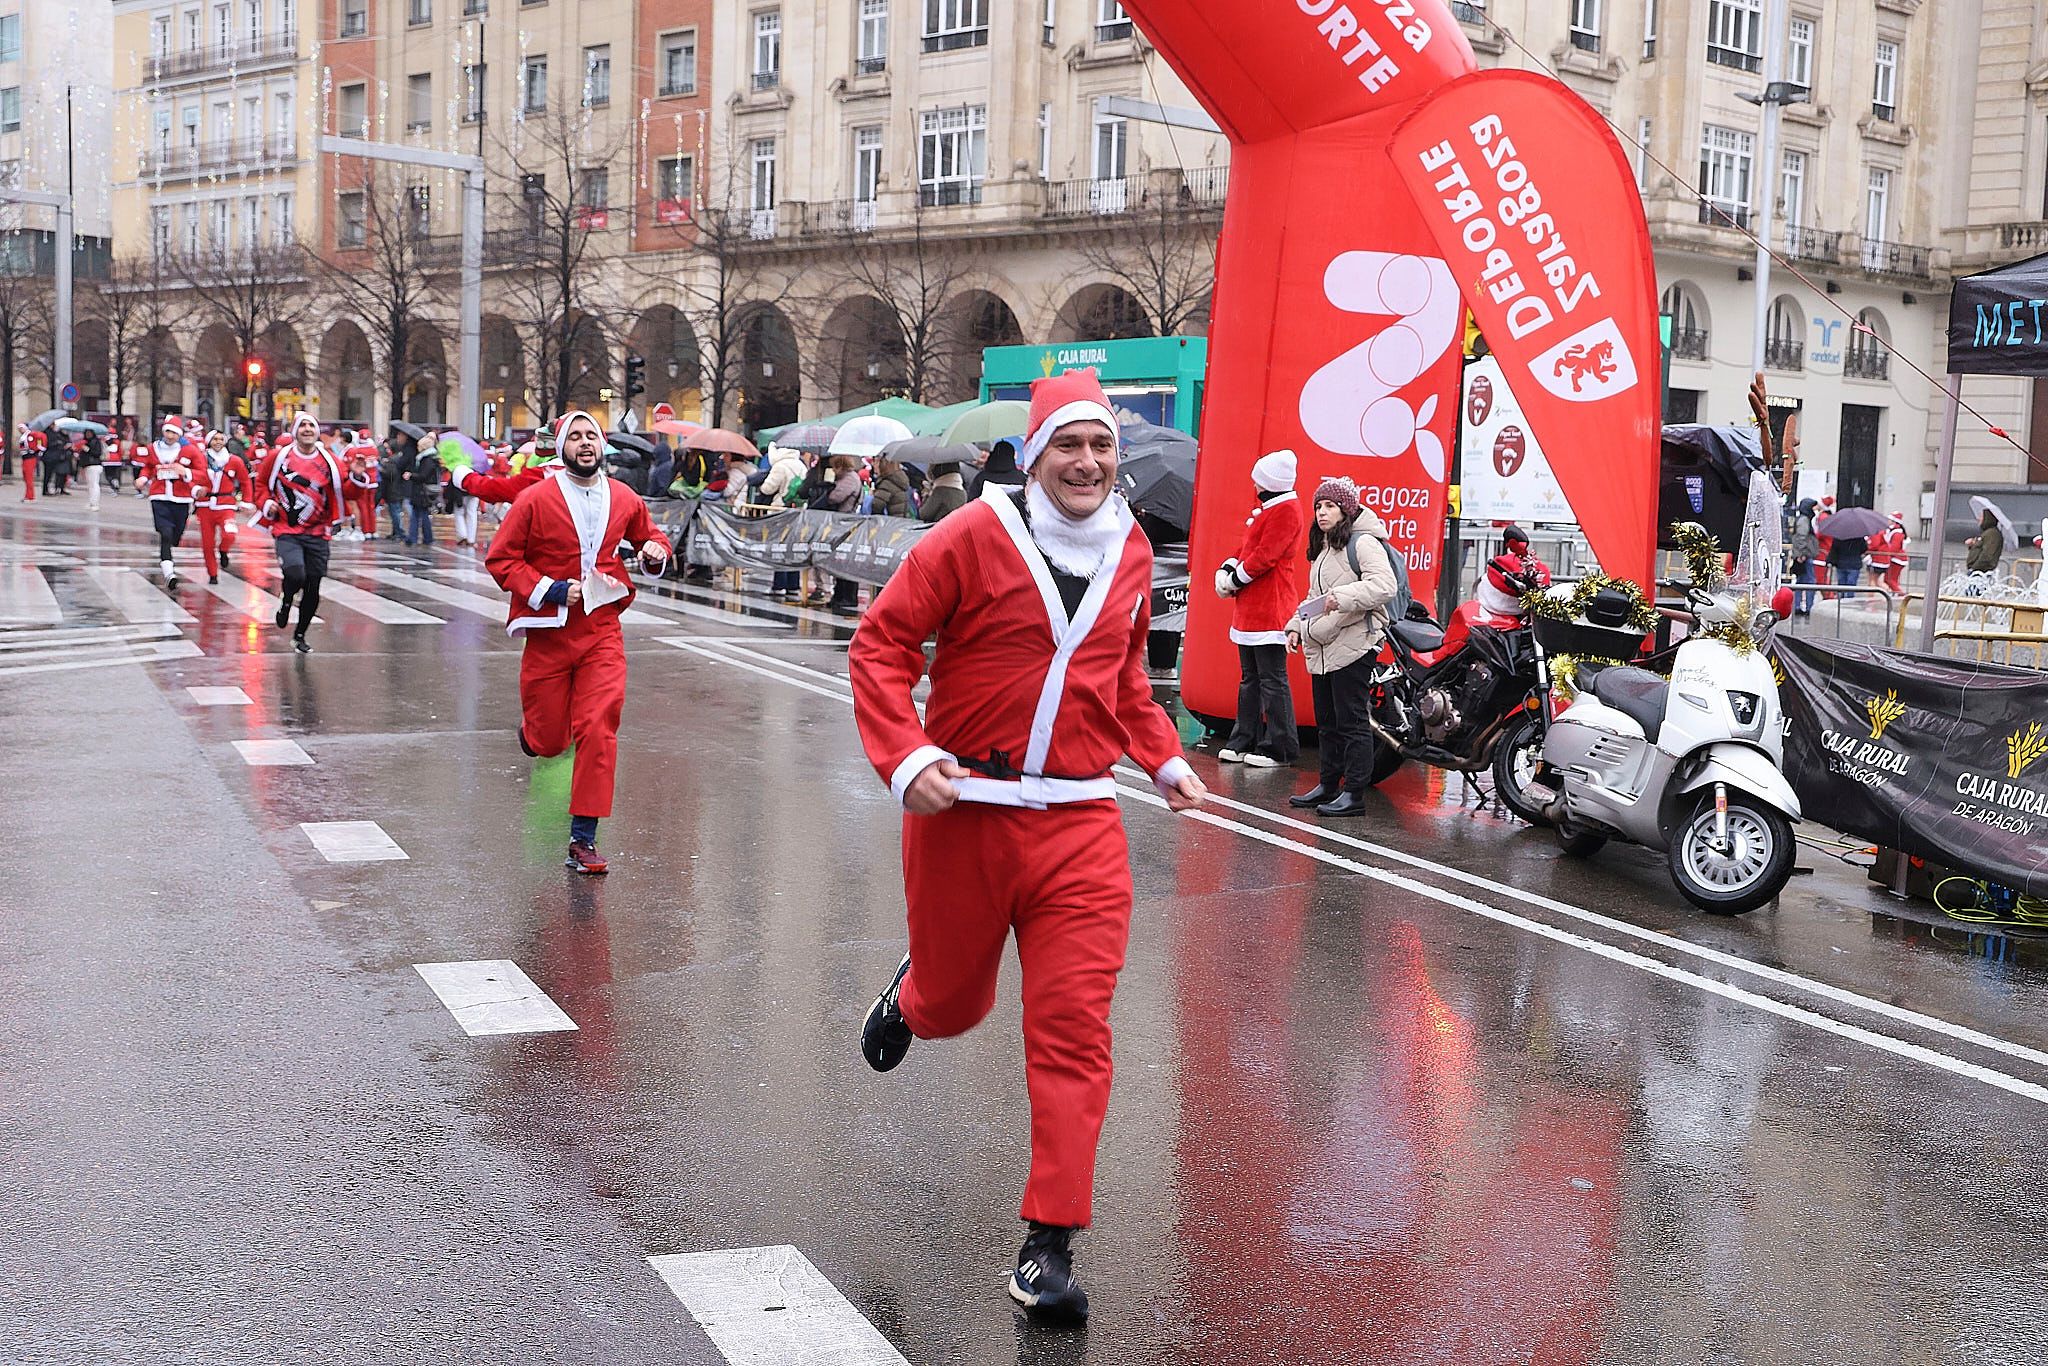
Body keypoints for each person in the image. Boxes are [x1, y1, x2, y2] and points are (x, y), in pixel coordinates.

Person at [849, 368, 1204, 1324]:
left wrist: (1162, 759)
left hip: (1084, 827)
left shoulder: (1134, 550)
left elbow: (1123, 676)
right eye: (1068, 447)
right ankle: (915, 996)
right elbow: (880, 648)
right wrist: (906, 754)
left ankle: (1049, 1243)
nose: (1086, 463)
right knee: (959, 1005)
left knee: (1075, 1033)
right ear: (1035, 457)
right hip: (967, 811)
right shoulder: (970, 535)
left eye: (1101, 448)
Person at [485, 411, 672, 874]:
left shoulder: (625, 497)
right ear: (561, 446)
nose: (585, 444)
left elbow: (653, 538)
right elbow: (501, 559)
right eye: (577, 437)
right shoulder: (534, 499)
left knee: (598, 727)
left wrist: (655, 553)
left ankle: (583, 838)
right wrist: (549, 588)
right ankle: (534, 736)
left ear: (602, 446)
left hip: (601, 629)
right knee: (550, 741)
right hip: (549, 632)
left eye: (593, 436)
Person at [1284, 476, 1397, 817]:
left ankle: (1354, 794)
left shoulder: (1363, 544)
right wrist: (1295, 626)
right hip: (1323, 646)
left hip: (1355, 644)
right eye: (1318, 506)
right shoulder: (1325, 549)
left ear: (1346, 510)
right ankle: (1329, 784)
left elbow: (1384, 585)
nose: (1322, 512)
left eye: (1330, 506)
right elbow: (1313, 600)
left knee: (1352, 723)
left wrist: (1341, 597)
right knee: (1328, 724)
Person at [1213, 449, 1303, 768]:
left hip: (1271, 607)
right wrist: (1228, 568)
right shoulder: (1270, 509)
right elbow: (1247, 549)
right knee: (1251, 678)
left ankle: (1279, 746)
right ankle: (1243, 738)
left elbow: (1265, 556)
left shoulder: (1287, 511)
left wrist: (1233, 578)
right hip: (1252, 607)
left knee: (1271, 679)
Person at [256, 413, 348, 653]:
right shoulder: (279, 457)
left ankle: (300, 635)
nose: (307, 429)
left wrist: (357, 477)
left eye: (311, 425)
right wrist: (267, 504)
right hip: (287, 529)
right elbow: (261, 485)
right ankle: (286, 600)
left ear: (317, 431)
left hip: (318, 531)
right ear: (295, 431)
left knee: (312, 586)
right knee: (295, 573)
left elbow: (346, 490)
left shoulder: (331, 461)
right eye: (303, 425)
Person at [138, 416, 205, 585]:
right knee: (165, 534)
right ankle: (169, 574)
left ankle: (173, 544)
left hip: (181, 498)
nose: (170, 436)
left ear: (179, 435)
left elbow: (202, 471)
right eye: (167, 432)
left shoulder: (189, 451)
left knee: (176, 534)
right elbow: (148, 466)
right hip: (159, 496)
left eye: (174, 433)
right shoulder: (153, 448)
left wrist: (185, 472)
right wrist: (143, 478)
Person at [197, 429, 254, 584]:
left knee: (230, 534)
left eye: (221, 439)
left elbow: (245, 481)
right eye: (214, 439)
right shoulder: (201, 458)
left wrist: (246, 500)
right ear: (209, 441)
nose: (218, 442)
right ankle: (213, 574)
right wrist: (195, 490)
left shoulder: (233, 460)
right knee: (207, 543)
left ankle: (223, 550)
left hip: (226, 505)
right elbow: (191, 478)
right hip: (205, 506)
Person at [402, 432, 442, 546]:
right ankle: (421, 537)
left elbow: (423, 476)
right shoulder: (431, 458)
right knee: (420, 514)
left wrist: (411, 475)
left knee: (419, 514)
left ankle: (416, 537)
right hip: (422, 490)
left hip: (421, 490)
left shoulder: (426, 460)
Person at [343, 428, 381, 540]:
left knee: (362, 506)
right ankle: (373, 530)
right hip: (374, 481)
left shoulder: (357, 451)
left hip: (363, 482)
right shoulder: (374, 449)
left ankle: (365, 530)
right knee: (371, 507)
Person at [1788, 497, 1820, 615]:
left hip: (1803, 555)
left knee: (1801, 581)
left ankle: (1798, 605)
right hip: (1805, 556)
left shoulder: (1803, 519)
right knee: (1809, 581)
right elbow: (1801, 537)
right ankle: (1807, 607)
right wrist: (1802, 553)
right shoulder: (1804, 520)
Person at [1868, 512, 1910, 595]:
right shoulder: (1894, 531)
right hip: (1895, 558)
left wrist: (1884, 553)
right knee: (1889, 579)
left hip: (1897, 559)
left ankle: (1900, 594)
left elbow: (1894, 548)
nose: (1888, 521)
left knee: (1890, 580)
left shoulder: (1897, 533)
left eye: (1890, 520)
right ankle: (1896, 593)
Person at [1823, 515, 1867, 590]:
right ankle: (1849, 601)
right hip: (1854, 563)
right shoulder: (1859, 536)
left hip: (1841, 563)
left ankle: (1841, 600)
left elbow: (1834, 548)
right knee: (1851, 587)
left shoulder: (1838, 536)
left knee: (1841, 586)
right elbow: (1864, 548)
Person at [919, 460, 969, 524]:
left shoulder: (940, 491)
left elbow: (924, 514)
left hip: (939, 529)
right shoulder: (961, 490)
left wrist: (926, 495)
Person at [1965, 507, 2005, 575]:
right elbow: (1979, 550)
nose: (1979, 519)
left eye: (1981, 516)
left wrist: (1974, 568)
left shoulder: (1992, 534)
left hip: (1981, 572)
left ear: (1987, 518)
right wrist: (1972, 544)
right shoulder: (1987, 533)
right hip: (1978, 571)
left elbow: (1987, 555)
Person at [79, 429, 105, 511]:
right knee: (90, 485)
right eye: (86, 433)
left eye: (89, 433)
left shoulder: (96, 442)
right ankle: (91, 502)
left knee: (94, 485)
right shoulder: (86, 442)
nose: (88, 435)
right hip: (87, 465)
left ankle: (95, 503)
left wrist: (88, 449)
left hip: (94, 465)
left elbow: (97, 453)